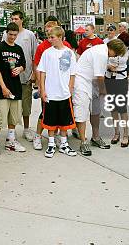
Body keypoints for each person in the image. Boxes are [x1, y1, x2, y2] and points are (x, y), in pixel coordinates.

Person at [73, 38, 127, 156]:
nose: (115, 56)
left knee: (96, 111)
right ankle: (83, 142)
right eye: (116, 54)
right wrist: (104, 92)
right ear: (113, 49)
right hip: (82, 81)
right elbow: (100, 77)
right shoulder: (101, 53)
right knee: (81, 112)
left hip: (92, 82)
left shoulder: (103, 51)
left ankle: (96, 137)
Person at [37, 26, 77, 158]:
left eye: (52, 37)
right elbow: (42, 73)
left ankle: (64, 144)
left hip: (64, 93)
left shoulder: (69, 53)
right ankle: (51, 143)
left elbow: (72, 73)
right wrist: (42, 90)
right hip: (50, 93)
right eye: (48, 37)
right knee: (50, 121)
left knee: (64, 120)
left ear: (60, 37)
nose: (49, 40)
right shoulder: (47, 53)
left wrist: (70, 88)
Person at [0, 22, 26, 158]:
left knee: (13, 118)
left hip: (16, 88)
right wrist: (3, 87)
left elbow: (23, 65)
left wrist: (20, 68)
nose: (12, 37)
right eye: (10, 34)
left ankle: (10, 141)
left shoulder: (18, 49)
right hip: (2, 89)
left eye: (15, 35)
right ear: (6, 33)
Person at [6, 11, 38, 143]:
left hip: (26, 76)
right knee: (11, 105)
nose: (14, 21)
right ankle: (11, 131)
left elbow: (35, 56)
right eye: (12, 18)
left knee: (26, 105)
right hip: (11, 77)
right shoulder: (6, 35)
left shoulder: (29, 35)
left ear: (22, 20)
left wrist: (34, 74)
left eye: (17, 19)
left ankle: (26, 129)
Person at [107, 32, 129, 147]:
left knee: (122, 108)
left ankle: (126, 134)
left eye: (125, 45)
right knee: (113, 108)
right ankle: (116, 133)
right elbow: (103, 60)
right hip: (109, 78)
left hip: (121, 79)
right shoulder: (110, 47)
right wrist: (108, 66)